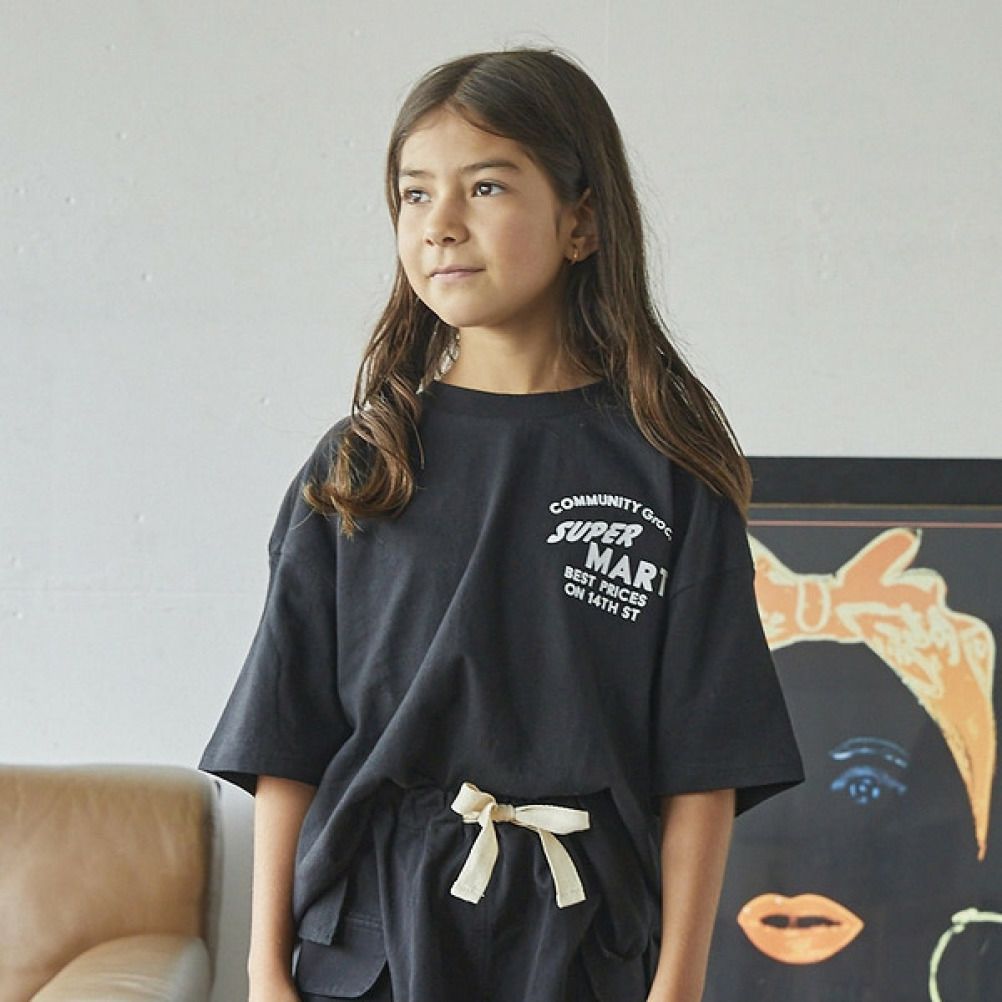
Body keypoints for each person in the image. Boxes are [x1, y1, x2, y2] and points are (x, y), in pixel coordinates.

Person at [198, 46, 805, 1002]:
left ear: (582, 222)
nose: (440, 223)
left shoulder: (668, 477)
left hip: (585, 944)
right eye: (414, 193)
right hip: (372, 946)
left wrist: (677, 988)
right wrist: (265, 970)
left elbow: (703, 767)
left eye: (485, 187)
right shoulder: (361, 468)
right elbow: (288, 738)